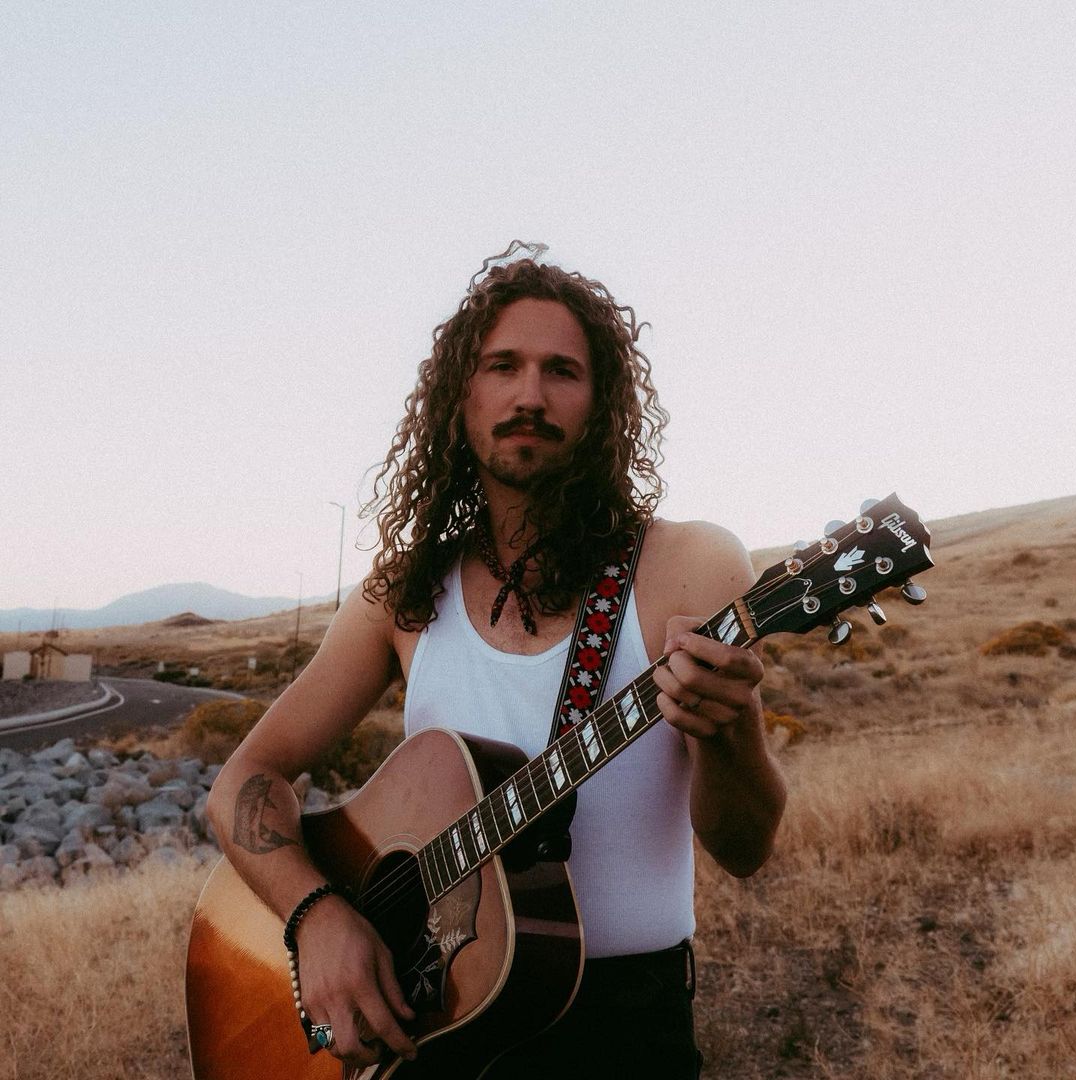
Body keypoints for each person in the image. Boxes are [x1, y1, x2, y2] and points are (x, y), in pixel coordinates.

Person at [206, 244, 787, 1078]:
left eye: (562, 371)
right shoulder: (402, 594)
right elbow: (243, 780)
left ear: (603, 405)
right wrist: (319, 916)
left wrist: (732, 733)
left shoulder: (689, 567)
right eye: (502, 366)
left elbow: (744, 848)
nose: (530, 396)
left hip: (623, 1036)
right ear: (461, 396)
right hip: (432, 1032)